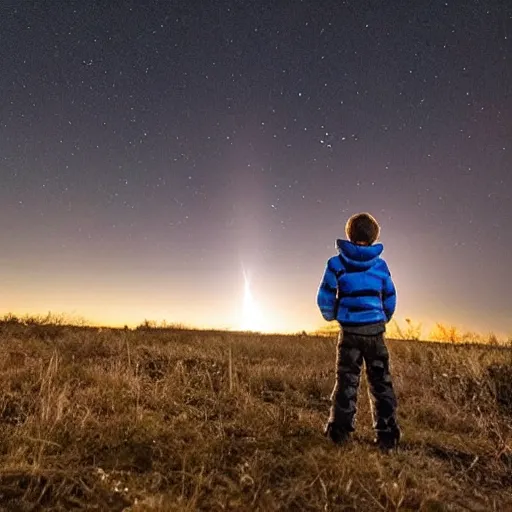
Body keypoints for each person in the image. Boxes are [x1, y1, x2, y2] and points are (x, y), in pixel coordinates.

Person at [316, 212, 400, 451]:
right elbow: (390, 297)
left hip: (350, 333)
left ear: (349, 234)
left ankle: (339, 433)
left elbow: (325, 295)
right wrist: (383, 316)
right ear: (374, 236)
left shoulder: (336, 264)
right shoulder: (381, 266)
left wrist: (333, 315)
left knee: (346, 382)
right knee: (381, 383)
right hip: (375, 333)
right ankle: (387, 434)